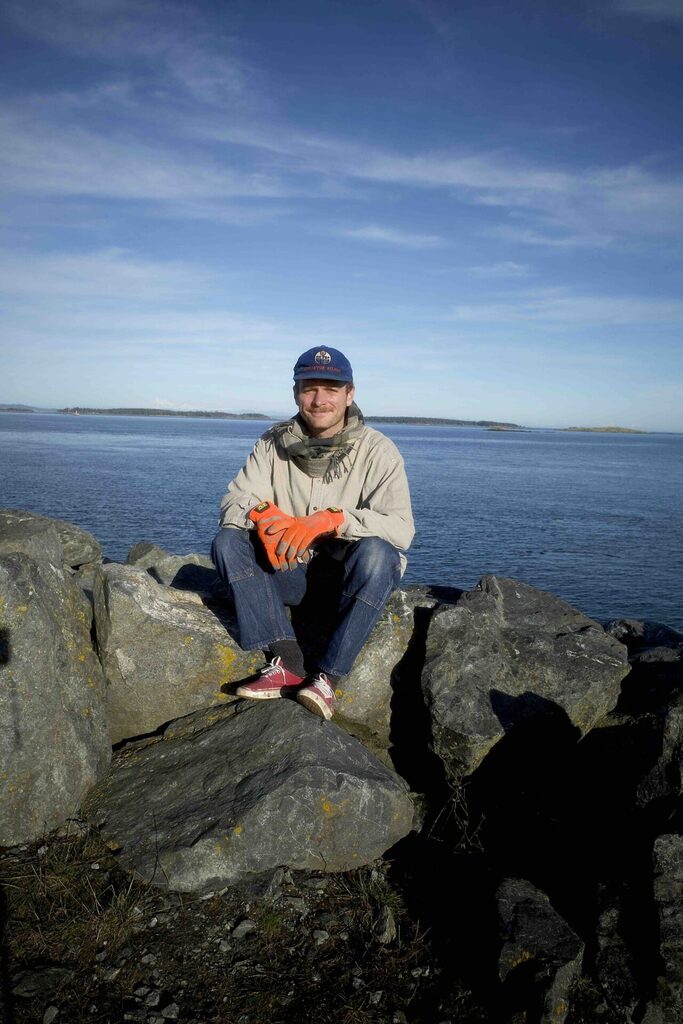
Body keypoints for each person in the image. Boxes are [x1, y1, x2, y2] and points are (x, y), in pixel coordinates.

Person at [211, 346, 414, 720]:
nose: (319, 400)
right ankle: (286, 661)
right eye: (309, 388)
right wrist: (261, 513)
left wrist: (333, 520)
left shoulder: (378, 451)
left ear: (349, 394)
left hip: (346, 583)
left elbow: (401, 529)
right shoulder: (272, 443)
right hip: (290, 571)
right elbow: (234, 498)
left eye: (331, 389)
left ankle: (326, 678)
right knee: (228, 540)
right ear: (295, 392)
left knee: (380, 554)